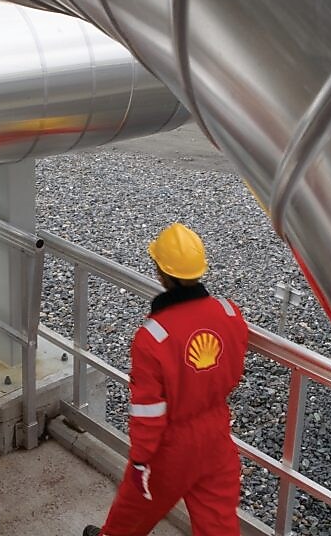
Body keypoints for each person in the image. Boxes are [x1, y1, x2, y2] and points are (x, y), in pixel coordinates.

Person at [85, 223, 248, 536]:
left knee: (131, 515)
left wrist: (141, 461)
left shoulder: (153, 337)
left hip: (171, 448)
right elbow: (232, 370)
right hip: (216, 437)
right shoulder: (230, 314)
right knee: (219, 525)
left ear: (160, 272)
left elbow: (149, 412)